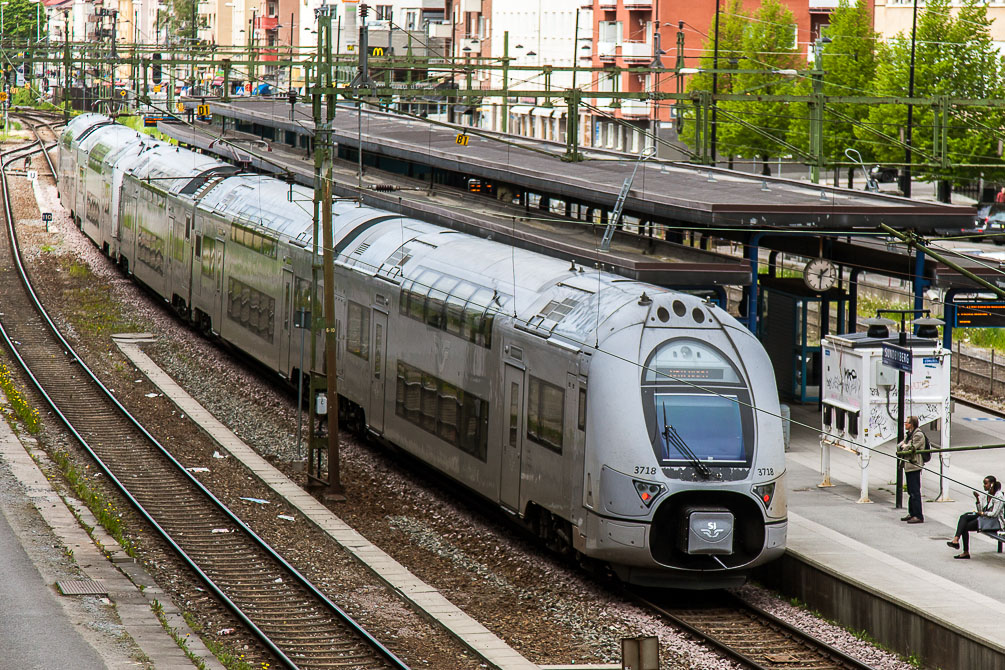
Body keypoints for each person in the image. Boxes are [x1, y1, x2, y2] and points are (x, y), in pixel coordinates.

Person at [947, 476, 1004, 559]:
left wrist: (982, 513)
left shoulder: (998, 496)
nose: (984, 486)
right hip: (985, 517)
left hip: (994, 521)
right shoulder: (987, 494)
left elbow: (994, 514)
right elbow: (980, 509)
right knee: (964, 517)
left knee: (964, 527)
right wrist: (977, 499)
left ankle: (965, 551)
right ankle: (956, 540)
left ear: (992, 484)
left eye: (986, 484)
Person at [896, 416, 926, 523]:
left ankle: (918, 515)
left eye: (907, 422)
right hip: (908, 466)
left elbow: (909, 447)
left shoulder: (918, 435)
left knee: (915, 492)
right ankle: (912, 513)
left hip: (914, 466)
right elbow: (900, 445)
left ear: (912, 424)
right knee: (910, 491)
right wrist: (904, 445)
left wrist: (905, 446)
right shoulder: (909, 434)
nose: (905, 424)